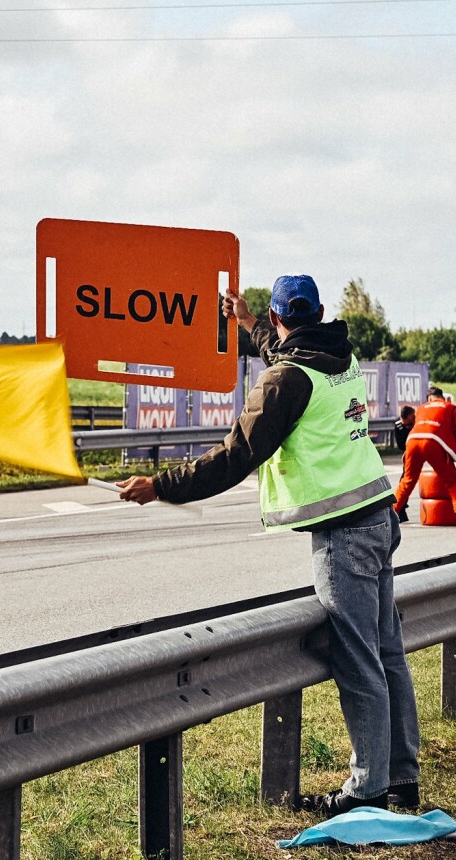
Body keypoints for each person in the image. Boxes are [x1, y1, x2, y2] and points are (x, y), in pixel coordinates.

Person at [118, 274, 421, 817]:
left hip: (343, 532)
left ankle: (369, 789)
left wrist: (160, 486)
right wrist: (248, 322)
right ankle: (402, 777)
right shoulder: (341, 357)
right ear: (321, 312)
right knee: (388, 654)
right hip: (379, 515)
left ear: (282, 319)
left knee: (359, 664)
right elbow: (286, 352)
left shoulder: (287, 380)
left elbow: (236, 456)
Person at [393, 385, 456, 528]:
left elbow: (418, 429)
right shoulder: (452, 409)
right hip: (435, 443)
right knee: (452, 482)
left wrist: (407, 453)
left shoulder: (421, 408)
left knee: (407, 481)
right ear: (442, 398)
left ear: (429, 399)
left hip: (413, 441)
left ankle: (391, 514)